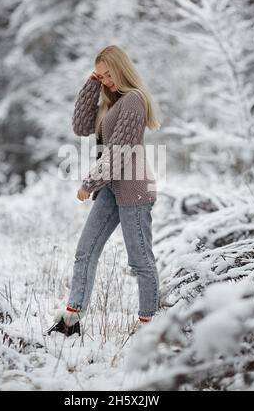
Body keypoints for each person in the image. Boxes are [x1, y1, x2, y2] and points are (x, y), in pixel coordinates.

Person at [49, 45, 161, 336]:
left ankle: (150, 325)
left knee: (140, 260)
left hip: (134, 188)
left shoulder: (133, 101)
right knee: (85, 251)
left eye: (109, 74)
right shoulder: (111, 101)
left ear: (122, 69)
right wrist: (91, 85)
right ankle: (71, 320)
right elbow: (80, 126)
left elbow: (119, 150)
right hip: (112, 187)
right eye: (101, 76)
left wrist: (89, 183)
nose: (106, 81)